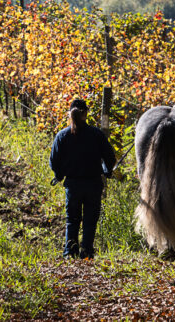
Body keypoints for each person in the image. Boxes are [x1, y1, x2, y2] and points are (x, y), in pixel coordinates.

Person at [49, 99, 116, 260]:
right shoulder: (96, 134)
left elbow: (54, 161)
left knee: (72, 219)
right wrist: (107, 172)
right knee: (90, 220)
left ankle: (69, 253)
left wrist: (59, 175)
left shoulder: (62, 136)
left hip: (72, 185)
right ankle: (86, 252)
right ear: (85, 113)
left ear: (70, 113)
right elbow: (110, 158)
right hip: (93, 184)